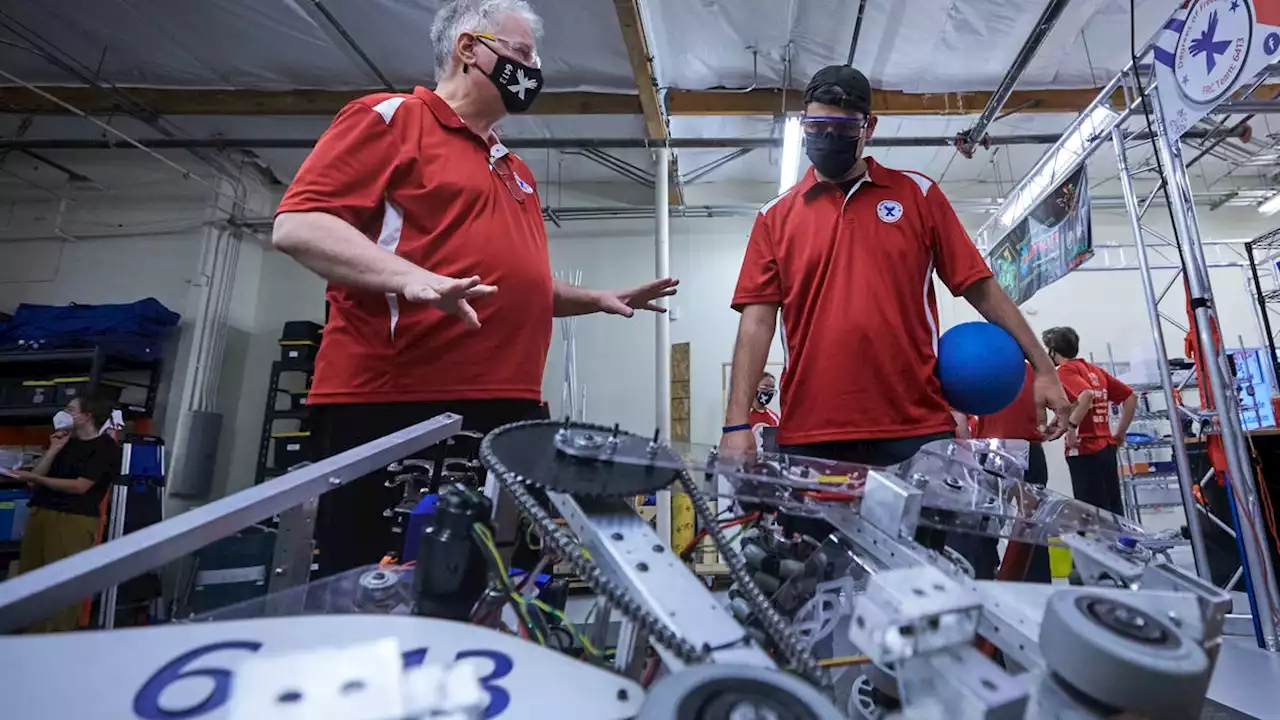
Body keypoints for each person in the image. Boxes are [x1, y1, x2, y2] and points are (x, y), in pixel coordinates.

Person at [272, 0, 677, 577]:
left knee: (491, 588)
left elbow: (507, 284)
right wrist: (413, 278)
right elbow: (299, 224)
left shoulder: (515, 169)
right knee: (382, 586)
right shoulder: (390, 118)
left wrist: (595, 299)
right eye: (520, 54)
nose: (533, 69)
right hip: (398, 404)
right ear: (468, 49)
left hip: (506, 408)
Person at [721, 64, 1070, 473]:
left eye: (844, 127)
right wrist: (736, 423)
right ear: (803, 124)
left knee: (924, 539)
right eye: (817, 126)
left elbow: (982, 288)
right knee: (812, 541)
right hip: (812, 430)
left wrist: (1045, 369)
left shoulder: (918, 195)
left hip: (915, 428)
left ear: (869, 127)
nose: (828, 137)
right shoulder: (774, 216)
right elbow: (756, 324)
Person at [15, 393, 120, 632]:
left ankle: (57, 638)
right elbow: (35, 482)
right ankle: (28, 638)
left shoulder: (105, 448)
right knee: (30, 579)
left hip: (73, 519)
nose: (65, 414)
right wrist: (53, 450)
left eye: (71, 410)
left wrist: (36, 477)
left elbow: (80, 486)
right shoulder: (65, 441)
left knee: (60, 582)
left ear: (87, 416)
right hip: (42, 513)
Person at [969, 362, 1051, 583]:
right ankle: (1037, 580)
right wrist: (1059, 425)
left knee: (988, 517)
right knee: (1032, 519)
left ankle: (984, 575)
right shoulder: (1033, 369)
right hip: (1028, 445)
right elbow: (1079, 397)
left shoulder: (982, 366)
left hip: (995, 447)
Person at [1042, 327, 1137, 516]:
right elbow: (1131, 397)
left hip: (1085, 449)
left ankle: (1102, 545)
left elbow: (1086, 396)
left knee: (1091, 515)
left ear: (1053, 350)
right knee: (1112, 512)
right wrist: (1120, 433)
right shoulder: (1095, 371)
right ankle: (1118, 545)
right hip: (1107, 447)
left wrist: (1071, 428)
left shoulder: (1065, 371)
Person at [748, 371, 780, 451]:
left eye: (772, 388)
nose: (769, 391)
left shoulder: (775, 417)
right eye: (765, 387)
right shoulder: (743, 416)